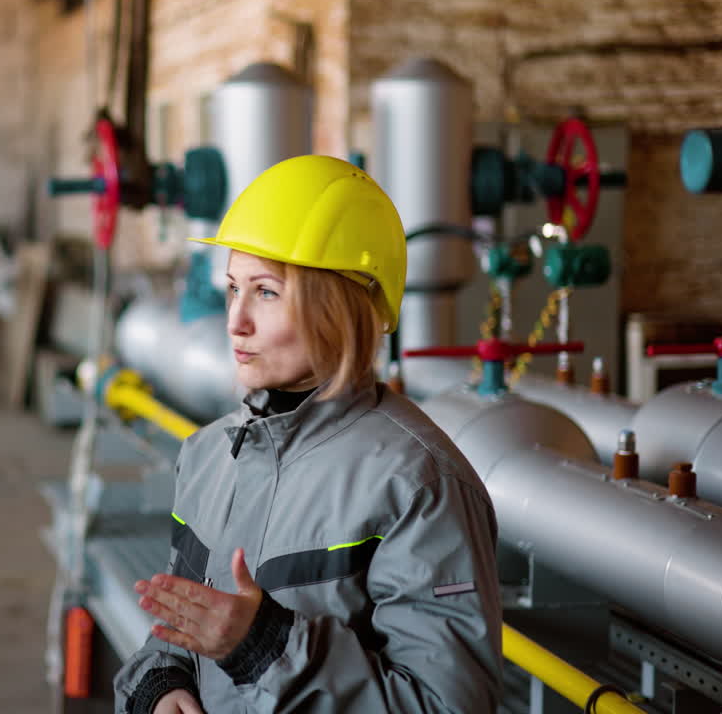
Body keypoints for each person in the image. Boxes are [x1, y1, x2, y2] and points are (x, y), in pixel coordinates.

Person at [113, 155, 502, 713]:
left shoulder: (417, 485)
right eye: (231, 288)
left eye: (266, 292)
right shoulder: (208, 454)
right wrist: (161, 684)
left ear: (336, 308)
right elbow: (180, 628)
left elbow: (447, 706)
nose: (235, 320)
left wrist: (266, 647)